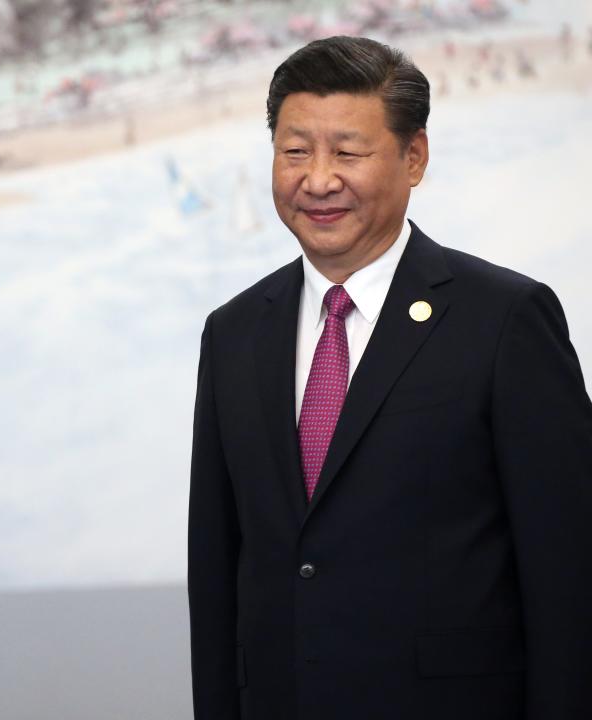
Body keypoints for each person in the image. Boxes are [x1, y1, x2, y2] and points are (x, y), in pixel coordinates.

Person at [188, 36, 592, 719]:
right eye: (295, 152)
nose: (317, 180)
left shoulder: (505, 321)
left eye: (347, 152)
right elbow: (218, 577)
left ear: (414, 158)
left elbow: (570, 581)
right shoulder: (234, 333)